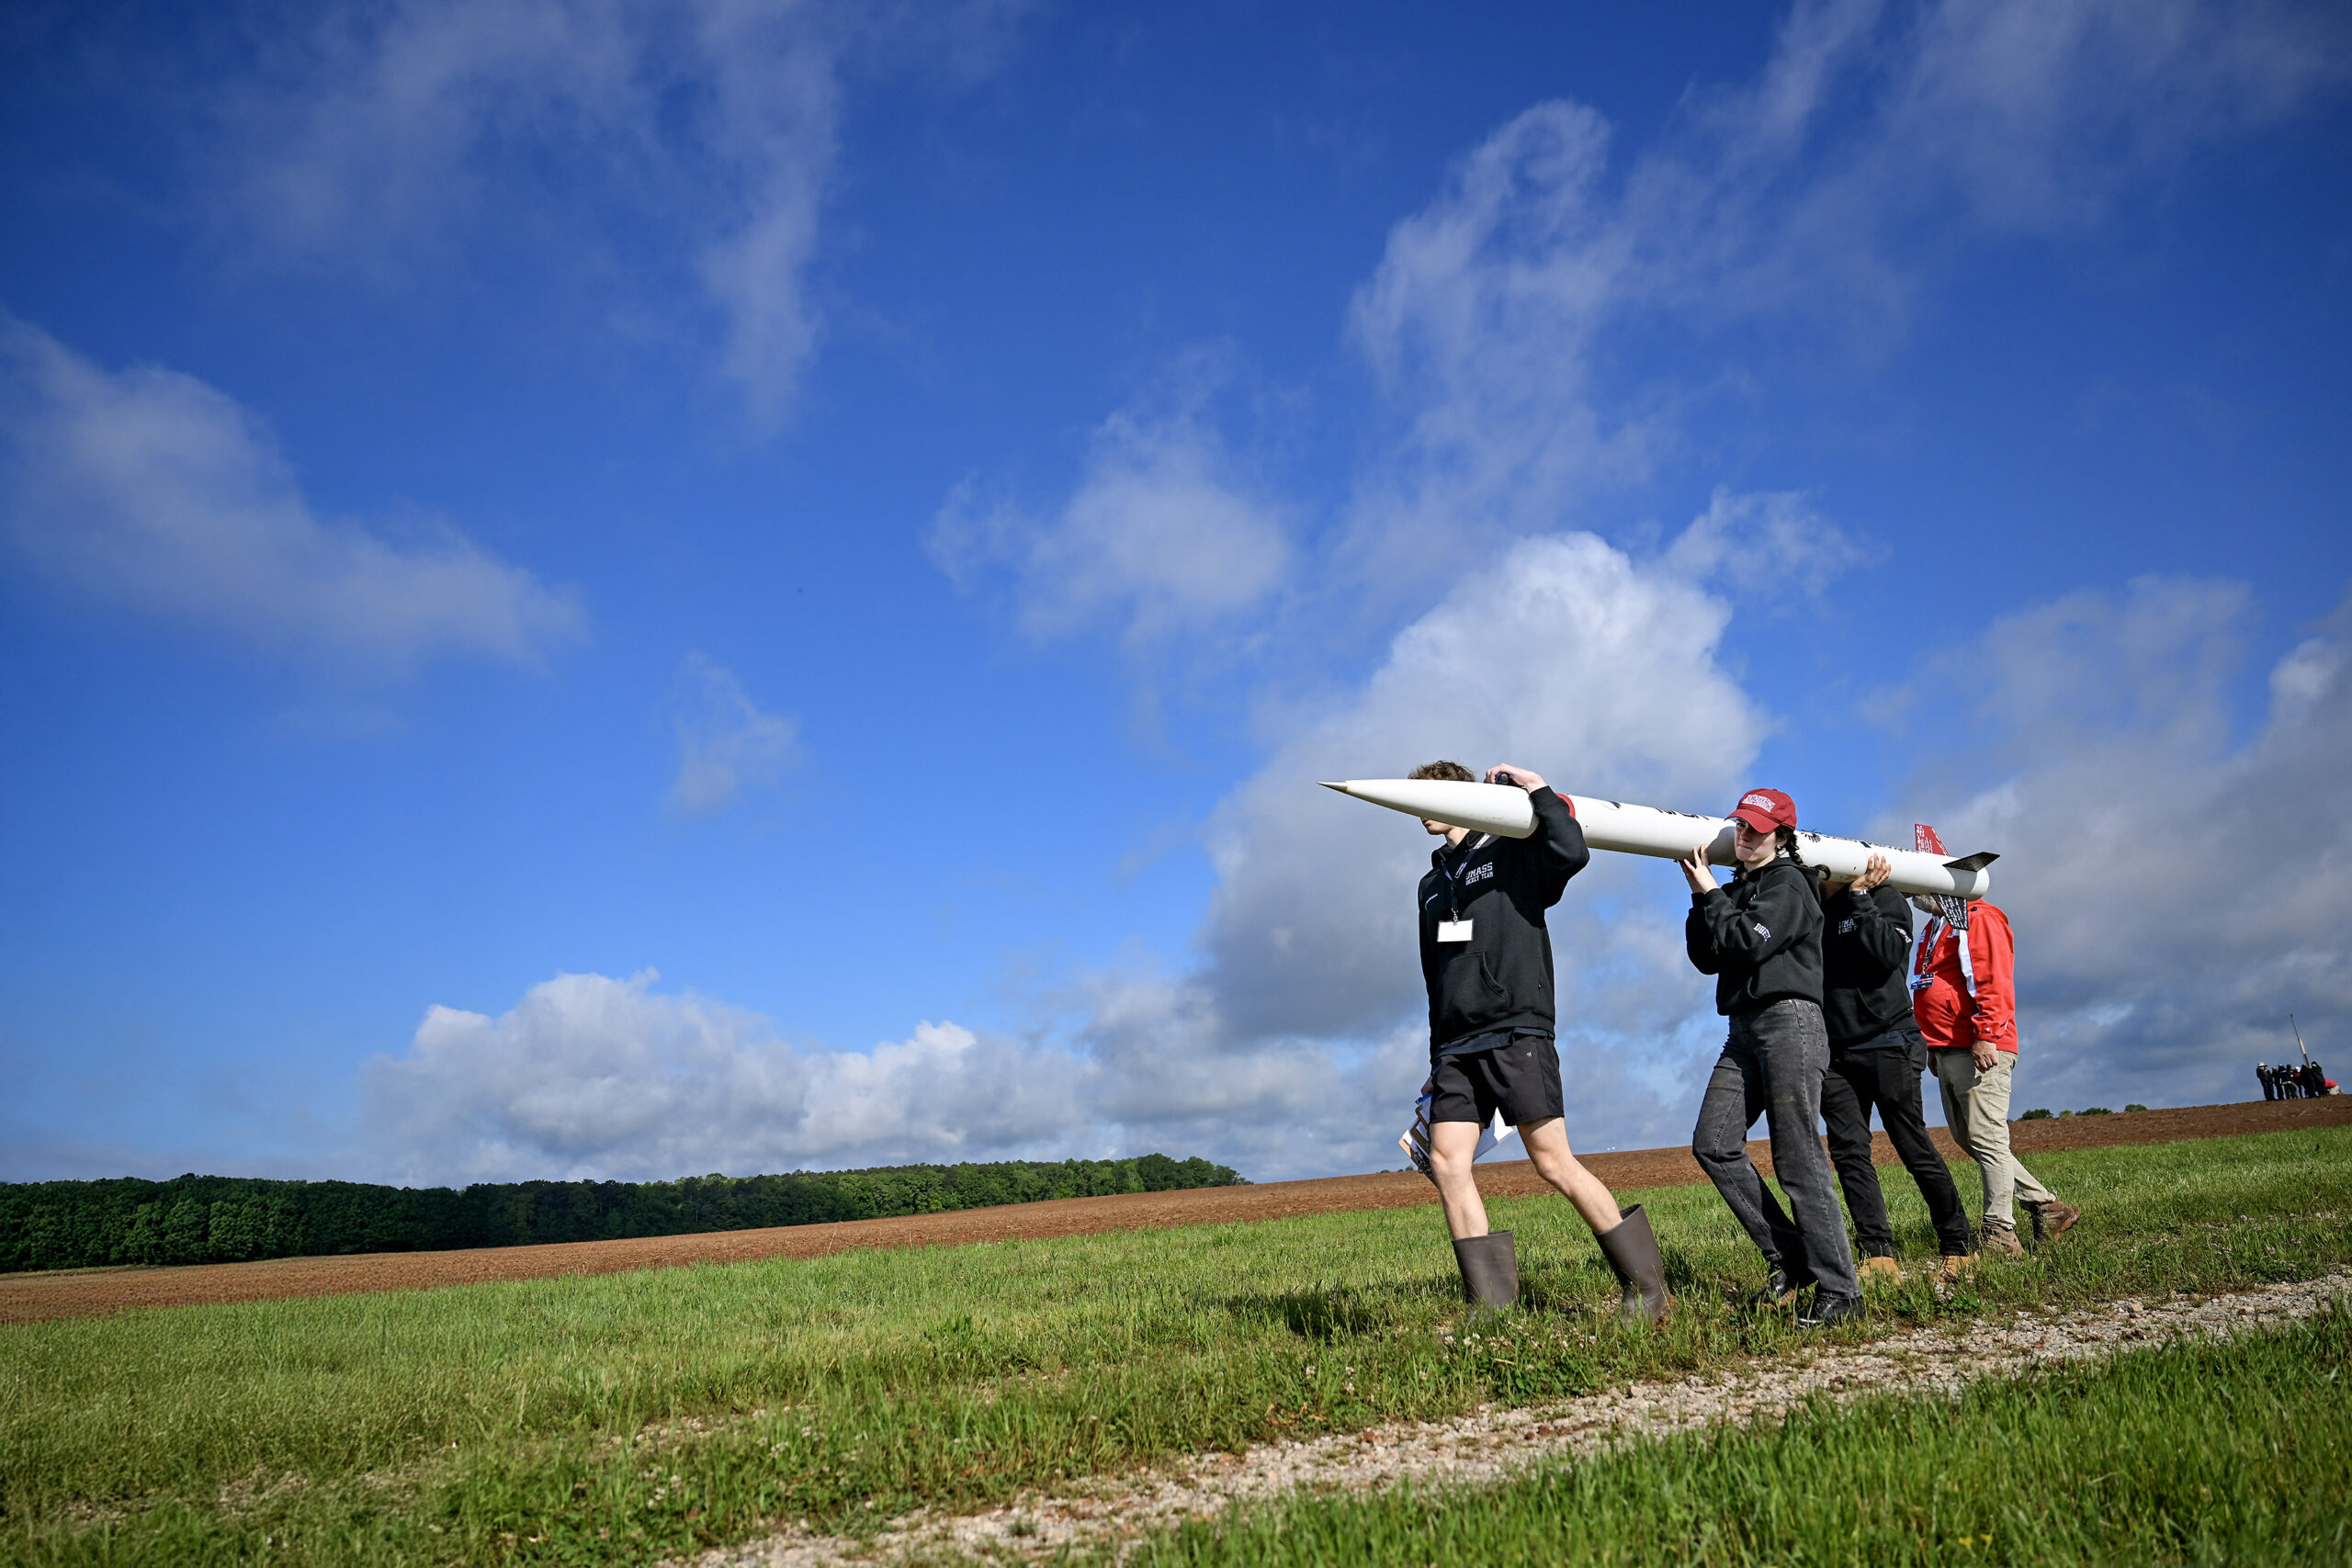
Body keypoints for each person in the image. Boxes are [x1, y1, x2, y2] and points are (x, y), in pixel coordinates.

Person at [1408, 759, 1671, 1324]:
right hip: (1456, 1047)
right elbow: (1435, 977)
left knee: (1552, 1161)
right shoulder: (1431, 885)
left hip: (1516, 1028)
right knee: (1447, 1163)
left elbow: (1571, 852)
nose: (1415, 809)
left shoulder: (1510, 849)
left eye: (1424, 795)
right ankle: (1493, 1308)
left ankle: (1649, 1292)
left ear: (1460, 798)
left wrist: (1539, 790)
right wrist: (1437, 1057)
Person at [1682, 787, 1861, 1328]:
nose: (1743, 836)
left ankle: (1841, 1291)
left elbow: (1750, 943)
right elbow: (1707, 958)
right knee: (1713, 1143)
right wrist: (1700, 896)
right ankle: (1793, 1259)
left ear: (1781, 835)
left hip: (1790, 1023)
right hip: (1743, 1027)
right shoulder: (1739, 886)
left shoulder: (1791, 884)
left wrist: (1713, 893)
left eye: (1756, 830)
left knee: (1798, 1157)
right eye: (1740, 826)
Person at [1815, 851, 1973, 1284]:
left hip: (1890, 1042)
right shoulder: (1814, 910)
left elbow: (1888, 955)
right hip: (1835, 1052)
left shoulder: (1886, 899)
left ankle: (1958, 1243)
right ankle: (1877, 1253)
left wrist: (1861, 898)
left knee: (1911, 1144)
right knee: (1849, 1153)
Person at [1912, 897, 2080, 1258]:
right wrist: (1933, 1045)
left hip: (1978, 1044)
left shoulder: (1978, 917)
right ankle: (2047, 1208)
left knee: (1987, 1138)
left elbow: (1994, 978)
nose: (1912, 894)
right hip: (1948, 1046)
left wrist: (1987, 1033)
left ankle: (1999, 1234)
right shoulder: (1934, 925)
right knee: (1967, 1136)